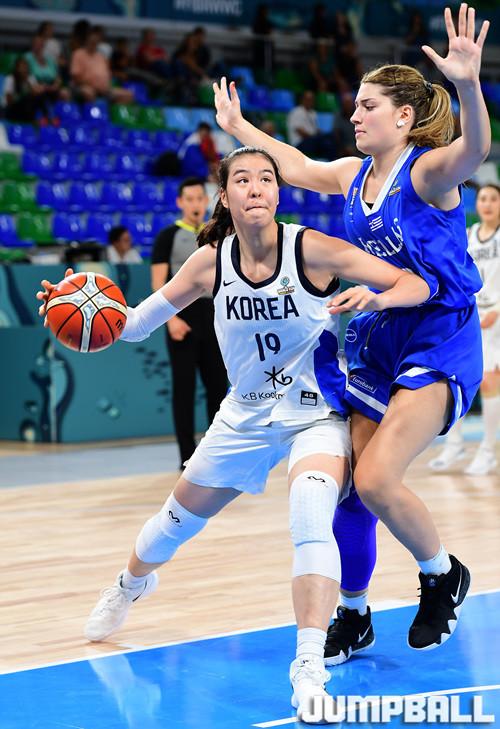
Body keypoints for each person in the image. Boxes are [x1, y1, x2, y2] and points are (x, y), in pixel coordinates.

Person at [37, 147, 430, 723]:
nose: (256, 187)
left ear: (278, 193)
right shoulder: (209, 263)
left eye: (266, 178)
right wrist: (73, 305)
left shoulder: (313, 250)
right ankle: (129, 584)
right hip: (242, 417)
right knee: (170, 528)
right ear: (226, 197)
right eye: (242, 179)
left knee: (310, 517)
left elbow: (415, 283)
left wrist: (380, 296)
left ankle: (309, 666)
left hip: (314, 416)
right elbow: (133, 325)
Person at [213, 2, 490, 663]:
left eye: (368, 106)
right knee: (349, 492)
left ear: (403, 117)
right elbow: (294, 164)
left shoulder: (427, 172)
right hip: (377, 336)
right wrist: (240, 128)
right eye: (355, 105)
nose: (355, 115)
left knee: (377, 478)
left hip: (438, 335)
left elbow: (477, 148)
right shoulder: (352, 174)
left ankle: (441, 573)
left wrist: (469, 85)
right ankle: (355, 612)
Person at [151, 177, 228, 469]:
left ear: (206, 201)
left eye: (200, 198)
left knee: (217, 387)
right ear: (180, 202)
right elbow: (158, 283)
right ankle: (186, 455)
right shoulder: (168, 236)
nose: (196, 204)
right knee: (183, 389)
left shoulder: (219, 234)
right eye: (190, 199)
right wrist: (170, 320)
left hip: (215, 316)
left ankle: (215, 452)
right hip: (182, 316)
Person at [429, 183, 499, 475]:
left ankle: (488, 450)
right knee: (455, 378)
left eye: (493, 199)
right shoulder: (469, 236)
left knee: (489, 381)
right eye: (482, 198)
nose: (487, 204)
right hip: (472, 315)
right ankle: (454, 444)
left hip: (496, 317)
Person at [70, 27, 134, 104]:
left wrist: (105, 86)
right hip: (83, 87)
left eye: (95, 41)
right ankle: (92, 111)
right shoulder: (78, 54)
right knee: (88, 93)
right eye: (91, 41)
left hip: (104, 89)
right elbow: (76, 77)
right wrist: (93, 85)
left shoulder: (100, 56)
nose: (93, 43)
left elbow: (108, 75)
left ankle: (109, 111)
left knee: (128, 95)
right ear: (86, 41)